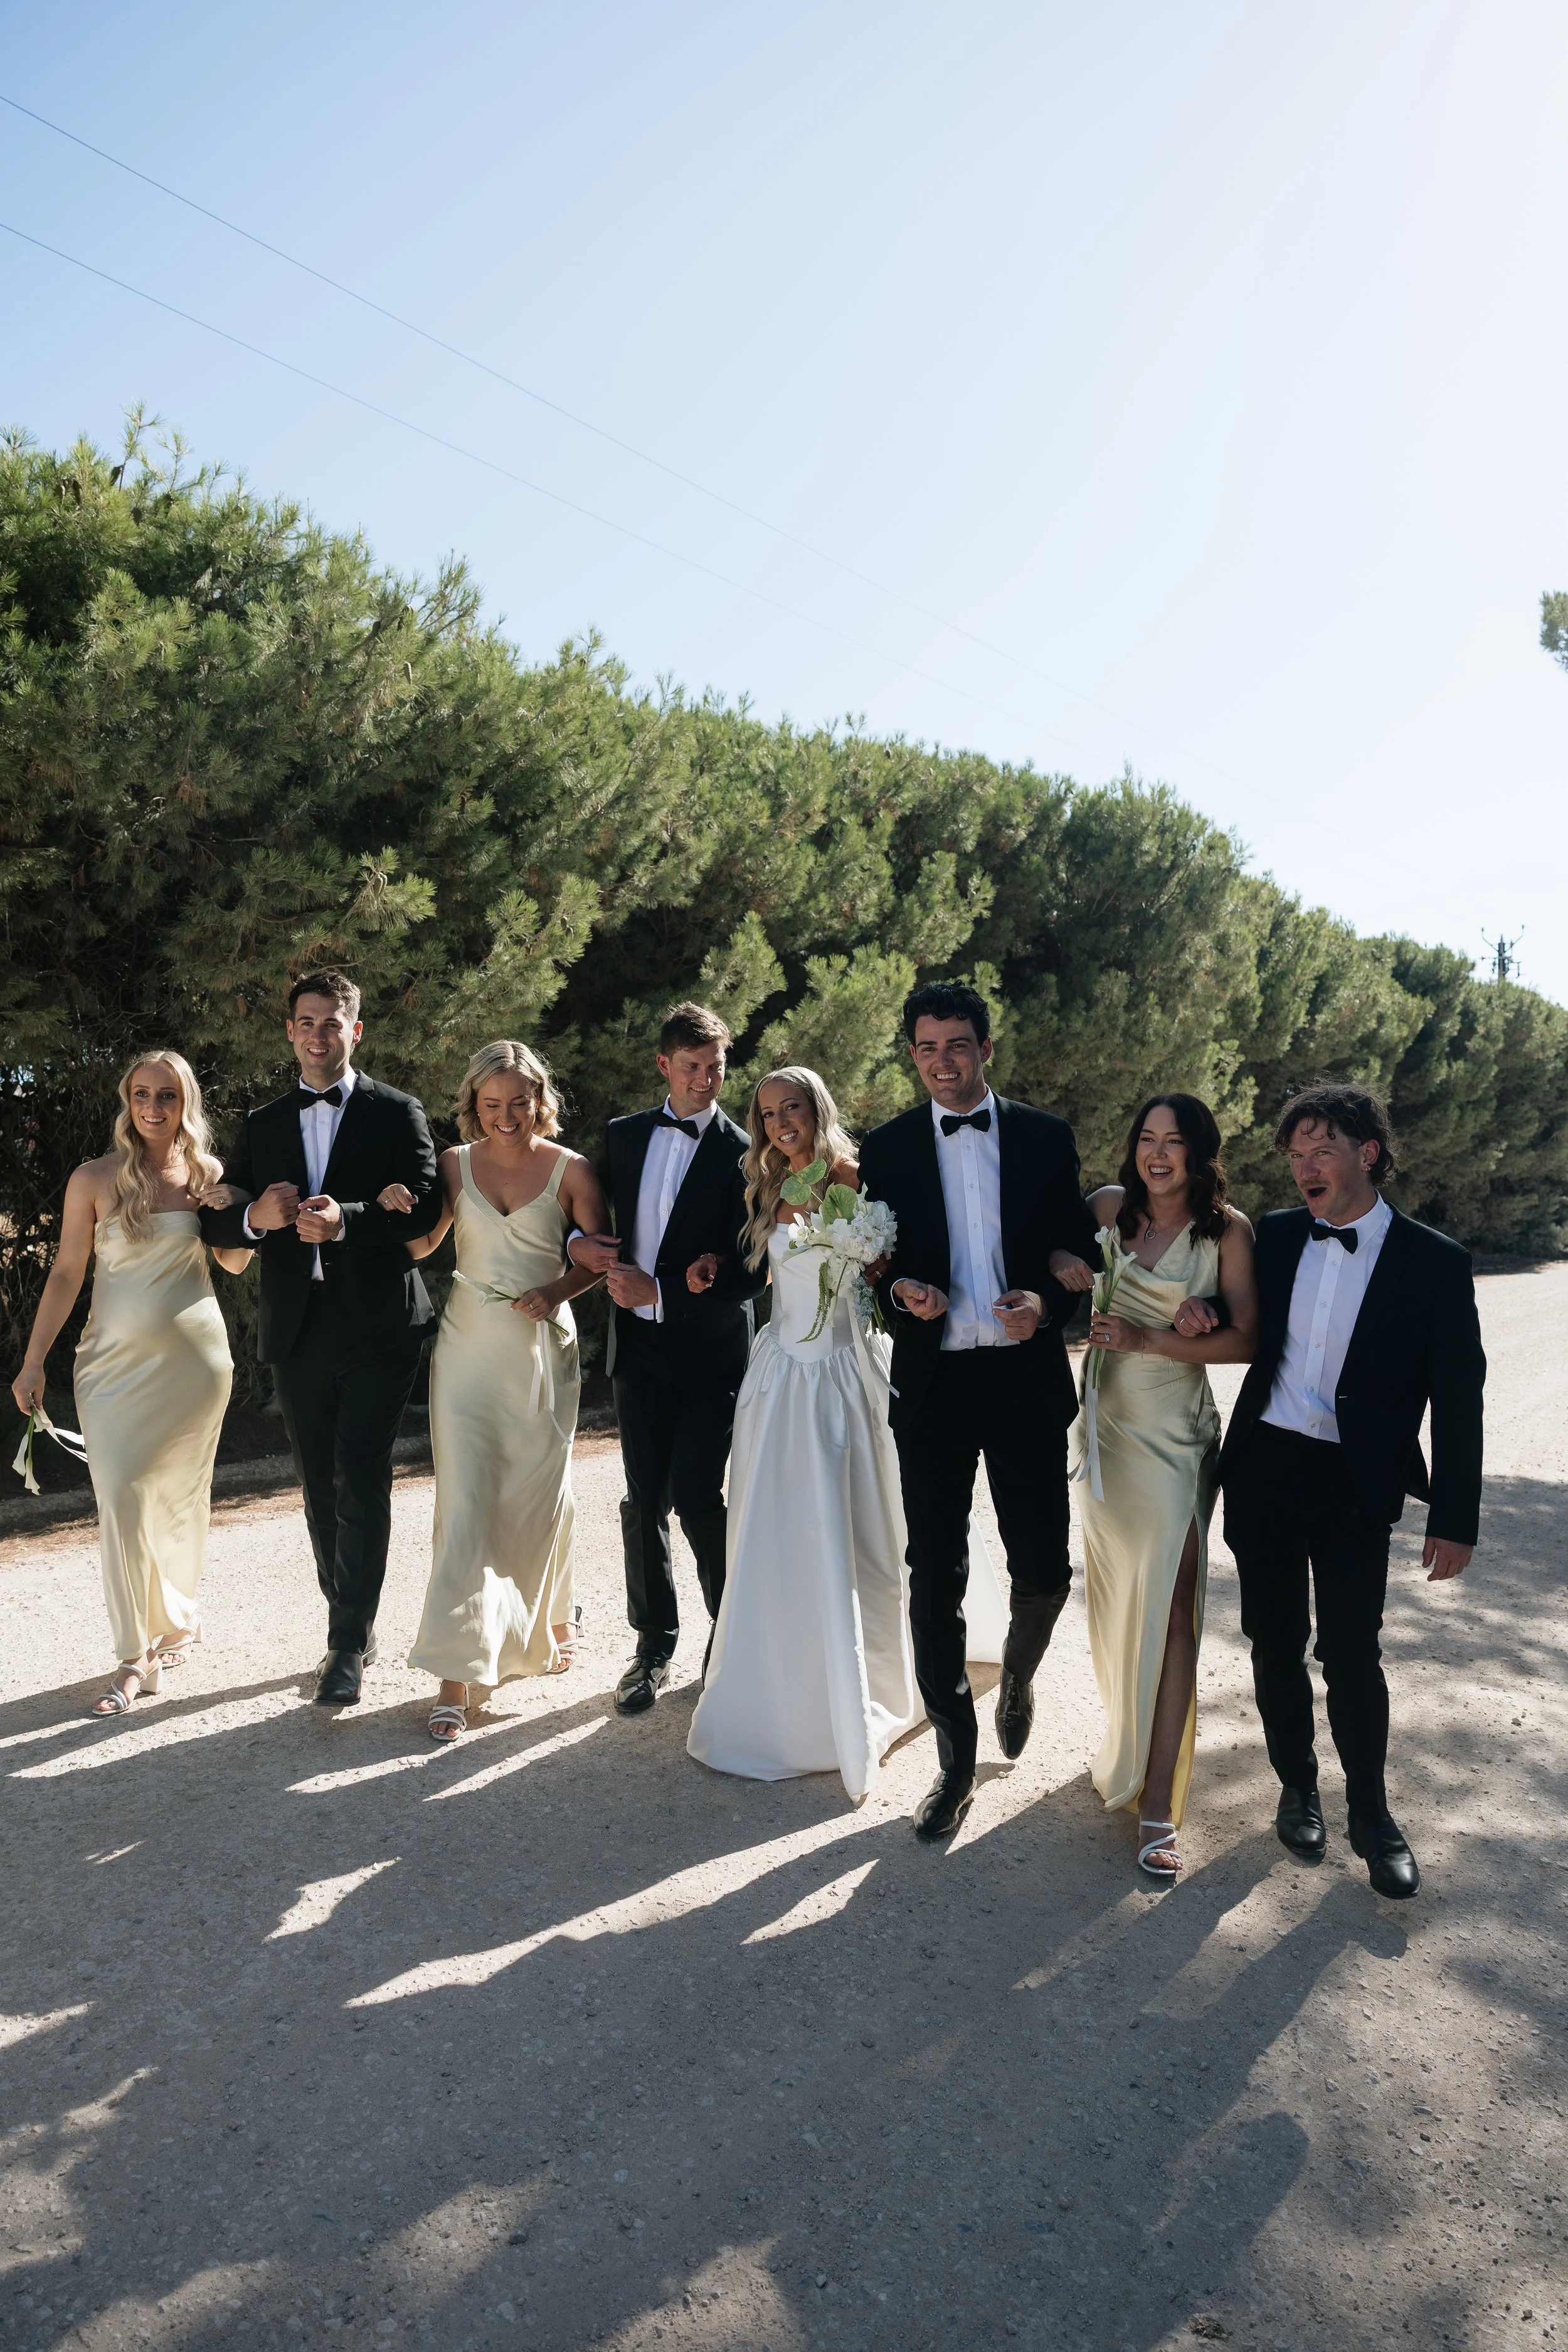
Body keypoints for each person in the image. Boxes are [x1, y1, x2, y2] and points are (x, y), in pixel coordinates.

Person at [1210, 1084, 1485, 1899]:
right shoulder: (1281, 1235)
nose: (1304, 1168)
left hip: (1355, 1483)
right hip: (1265, 1466)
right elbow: (1237, 1313)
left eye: (1320, 1150)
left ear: (1368, 1153)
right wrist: (1195, 1310)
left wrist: (1457, 1515)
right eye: (1294, 1155)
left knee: (1352, 1654)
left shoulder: (1435, 1263)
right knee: (1273, 1639)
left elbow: (1458, 1397)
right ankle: (1298, 1789)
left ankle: (1373, 1815)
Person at [859, 981, 1100, 1840]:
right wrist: (903, 1292)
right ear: (913, 1054)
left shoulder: (1043, 1135)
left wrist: (1044, 1298)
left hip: (1024, 1379)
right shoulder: (884, 1148)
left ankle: (1023, 1672)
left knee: (1045, 1569)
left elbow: (1076, 1248)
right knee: (938, 1573)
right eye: (925, 1049)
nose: (942, 1063)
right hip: (935, 1386)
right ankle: (954, 1758)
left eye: (957, 1045)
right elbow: (874, 1267)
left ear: (986, 1048)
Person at [200, 971, 442, 1705]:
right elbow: (220, 1215)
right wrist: (255, 1223)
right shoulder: (265, 1120)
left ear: (355, 1031)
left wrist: (353, 1218)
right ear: (290, 1031)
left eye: (331, 1023)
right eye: (306, 1022)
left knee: (360, 1474)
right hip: (297, 1326)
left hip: (378, 1327)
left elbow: (426, 1204)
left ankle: (344, 1646)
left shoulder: (397, 1112)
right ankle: (352, 1614)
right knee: (317, 1483)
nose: (317, 1035)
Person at [687, 1067, 918, 1798]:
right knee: (776, 1530)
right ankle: (779, 1678)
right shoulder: (767, 1183)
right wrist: (711, 1269)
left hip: (843, 1375)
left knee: (852, 1528)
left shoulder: (853, 1174)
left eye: (793, 1109)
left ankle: (867, 1680)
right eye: (768, 1113)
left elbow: (885, 1266)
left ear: (817, 1109)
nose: (781, 1122)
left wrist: (881, 1266)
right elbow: (763, 1281)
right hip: (780, 1376)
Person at [376, 1041, 610, 1740]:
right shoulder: (453, 1165)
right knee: (468, 1505)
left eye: (519, 1102)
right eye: (491, 1105)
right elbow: (422, 1247)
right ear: (472, 1106)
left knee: (538, 1497)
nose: (507, 1116)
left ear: (542, 1101)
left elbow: (600, 1259)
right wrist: (397, 1207)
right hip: (468, 1350)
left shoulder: (573, 1172)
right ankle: (457, 1675)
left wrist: (556, 1288)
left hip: (541, 1352)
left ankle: (553, 1614)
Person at [1049, 1094, 1256, 1878]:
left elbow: (1246, 1340)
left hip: (1173, 1443)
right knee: (1118, 1603)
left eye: (1174, 1142)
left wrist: (1157, 1333)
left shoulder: (1226, 1232)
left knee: (1171, 1611)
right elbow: (1048, 1246)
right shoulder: (1107, 1208)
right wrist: (1062, 1266)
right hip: (1103, 1438)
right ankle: (1128, 1745)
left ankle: (1158, 1802)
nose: (1157, 1153)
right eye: (1146, 1138)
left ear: (1200, 1152)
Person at [10, 1052, 252, 1715]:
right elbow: (65, 1273)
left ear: (185, 1102)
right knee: (120, 1497)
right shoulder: (93, 1178)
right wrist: (34, 1362)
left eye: (167, 1095)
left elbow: (233, 1262)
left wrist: (229, 1208)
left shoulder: (209, 1174)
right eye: (142, 1094)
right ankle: (132, 1655)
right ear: (127, 1100)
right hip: (109, 1368)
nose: (153, 1106)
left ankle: (173, 1620)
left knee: (178, 1498)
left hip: (196, 1368)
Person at [568, 1002, 766, 1715]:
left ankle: (730, 1633)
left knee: (696, 1498)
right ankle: (652, 1644)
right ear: (664, 1066)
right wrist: (576, 1250)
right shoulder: (622, 1137)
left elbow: (752, 1273)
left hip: (711, 1352)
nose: (706, 1079)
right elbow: (579, 1219)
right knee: (641, 1498)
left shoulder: (747, 1152)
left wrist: (668, 1293)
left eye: (716, 1067)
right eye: (691, 1066)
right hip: (638, 1349)